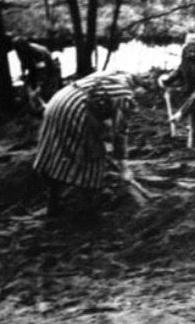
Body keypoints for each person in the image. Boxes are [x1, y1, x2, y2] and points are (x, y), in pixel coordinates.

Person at [33, 71, 136, 217]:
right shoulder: (124, 93)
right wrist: (124, 169)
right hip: (74, 110)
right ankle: (88, 210)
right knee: (93, 158)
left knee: (55, 154)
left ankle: (53, 204)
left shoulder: (109, 76)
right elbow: (120, 132)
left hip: (56, 104)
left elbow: (101, 112)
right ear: (137, 86)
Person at [11, 37, 62, 112]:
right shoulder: (20, 51)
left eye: (20, 49)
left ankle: (49, 109)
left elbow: (42, 71)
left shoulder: (37, 52)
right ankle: (35, 107)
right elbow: (23, 63)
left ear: (25, 46)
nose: (18, 51)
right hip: (34, 68)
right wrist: (23, 74)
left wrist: (39, 86)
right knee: (31, 88)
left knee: (46, 90)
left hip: (49, 69)